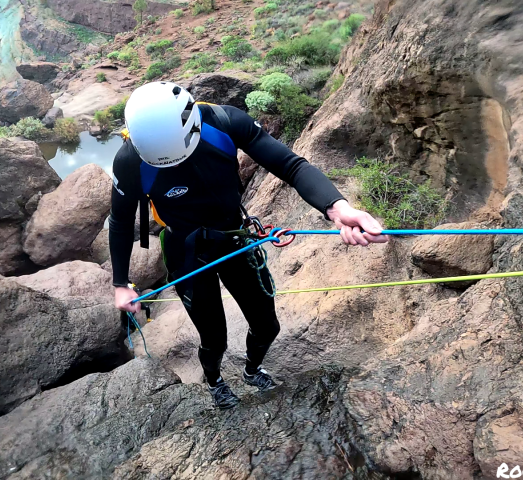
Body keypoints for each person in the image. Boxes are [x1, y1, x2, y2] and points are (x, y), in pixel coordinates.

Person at [109, 82, 388, 409]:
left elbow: (291, 165)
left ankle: (253, 369)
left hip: (234, 237)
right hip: (186, 251)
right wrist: (119, 283)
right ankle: (214, 381)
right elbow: (121, 220)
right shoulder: (130, 160)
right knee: (214, 339)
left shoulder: (223, 122)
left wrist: (336, 207)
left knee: (267, 325)